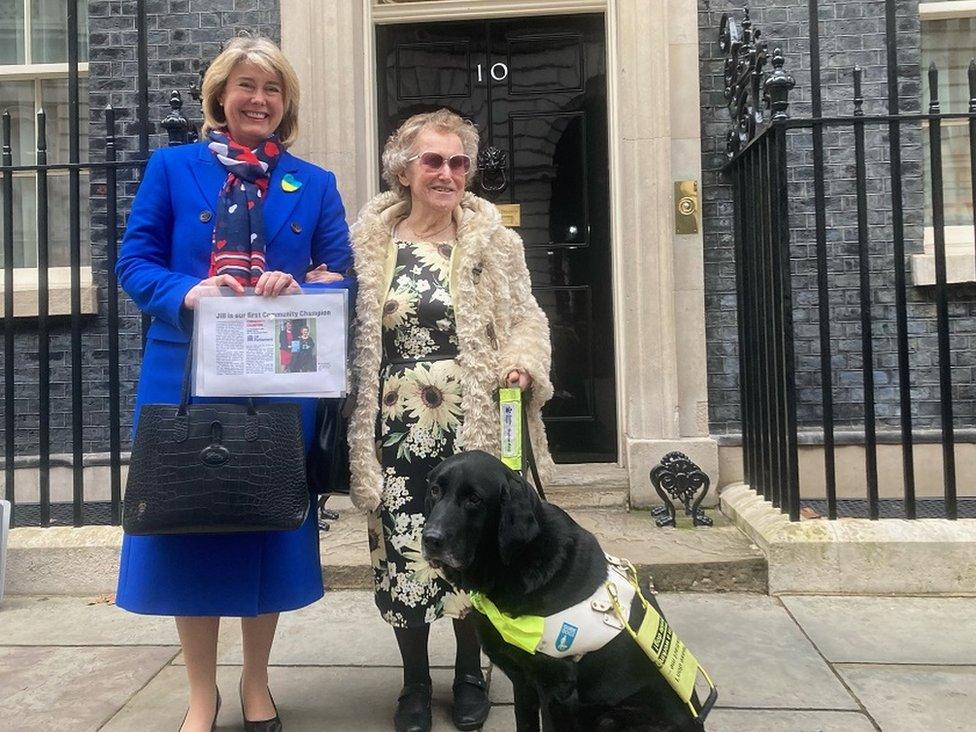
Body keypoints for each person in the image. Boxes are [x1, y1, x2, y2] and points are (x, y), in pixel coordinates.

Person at [114, 35, 350, 732]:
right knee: (191, 526)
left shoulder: (314, 182)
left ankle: (255, 683)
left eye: (273, 89)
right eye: (246, 85)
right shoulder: (172, 167)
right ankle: (199, 694)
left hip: (277, 381)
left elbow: (342, 275)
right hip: (183, 377)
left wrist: (300, 281)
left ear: (286, 104)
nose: (259, 99)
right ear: (220, 95)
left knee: (265, 525)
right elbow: (134, 262)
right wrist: (188, 292)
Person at [343, 108, 555, 732]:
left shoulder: (496, 243)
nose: (448, 173)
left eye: (459, 162)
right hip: (395, 435)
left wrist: (520, 364)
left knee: (468, 551)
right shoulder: (366, 245)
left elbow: (528, 320)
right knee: (402, 556)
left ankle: (470, 673)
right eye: (433, 160)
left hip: (472, 429)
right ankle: (413, 684)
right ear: (403, 170)